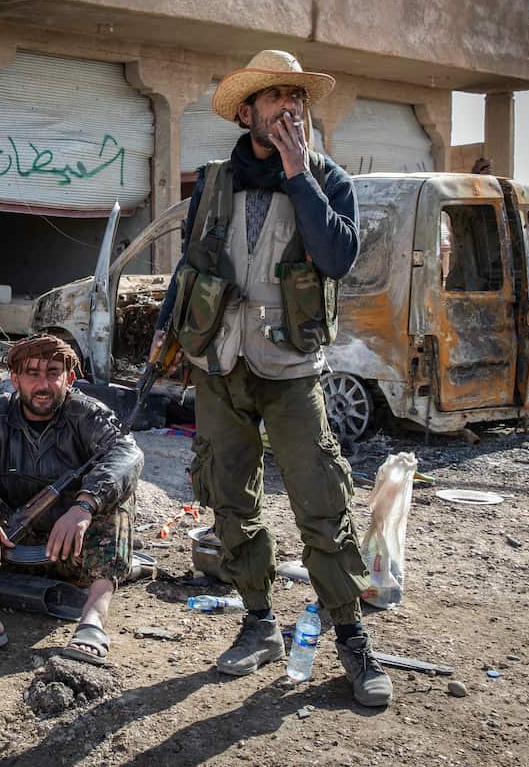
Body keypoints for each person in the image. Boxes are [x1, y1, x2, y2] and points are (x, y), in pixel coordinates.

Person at [151, 50, 392, 707]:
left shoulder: (327, 179)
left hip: (290, 370)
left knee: (322, 500)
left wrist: (298, 173)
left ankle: (350, 639)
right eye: (275, 97)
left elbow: (337, 255)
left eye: (296, 97)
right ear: (248, 110)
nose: (288, 107)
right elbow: (192, 261)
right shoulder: (216, 179)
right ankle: (258, 622)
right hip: (218, 364)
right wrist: (170, 333)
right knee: (230, 495)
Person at [0, 335, 143, 666]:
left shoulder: (87, 414)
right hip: (3, 550)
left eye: (53, 372)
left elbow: (126, 454)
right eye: (32, 374)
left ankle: (93, 619)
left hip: (72, 549)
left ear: (69, 378)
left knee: (115, 497)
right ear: (15, 379)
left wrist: (84, 506)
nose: (43, 384)